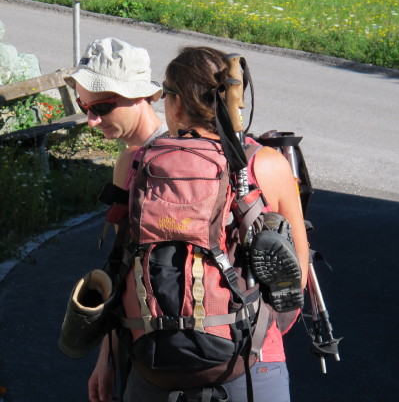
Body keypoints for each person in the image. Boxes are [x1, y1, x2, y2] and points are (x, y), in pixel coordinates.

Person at [87, 46, 310, 402]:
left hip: (153, 364)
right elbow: (295, 276)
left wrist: (106, 359)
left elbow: (121, 270)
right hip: (248, 365)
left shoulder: (134, 163)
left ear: (175, 104)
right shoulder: (266, 165)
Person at [65, 37, 168, 188]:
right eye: (83, 106)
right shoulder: (136, 156)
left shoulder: (164, 163)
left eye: (101, 107)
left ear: (138, 95)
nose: (92, 122)